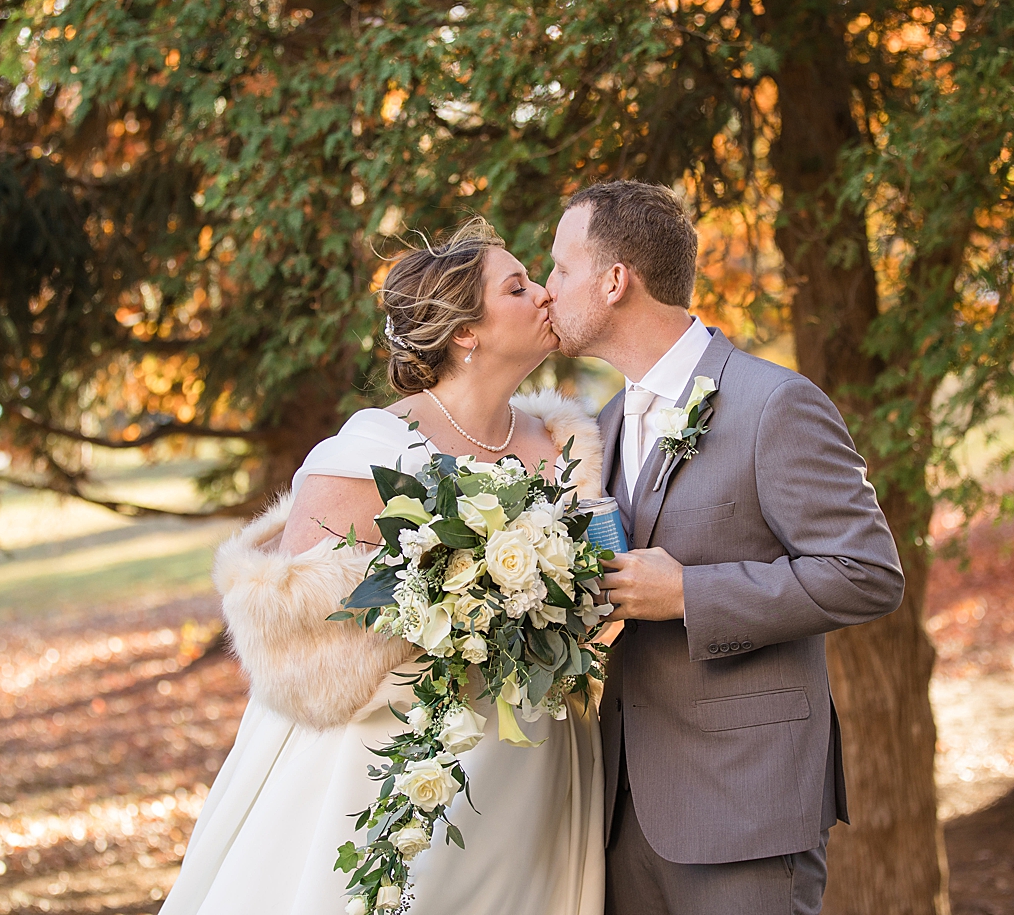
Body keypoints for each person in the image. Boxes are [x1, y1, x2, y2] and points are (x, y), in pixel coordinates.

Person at [159, 218, 607, 915]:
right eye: (518, 287)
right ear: (467, 332)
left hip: (537, 764)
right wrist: (452, 622)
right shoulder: (370, 450)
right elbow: (292, 640)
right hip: (394, 762)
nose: (546, 295)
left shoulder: (566, 444)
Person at [545, 181, 905, 915]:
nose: (547, 290)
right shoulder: (601, 428)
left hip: (747, 808)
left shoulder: (775, 404)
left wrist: (690, 595)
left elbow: (867, 573)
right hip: (621, 815)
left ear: (615, 282)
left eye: (559, 268)